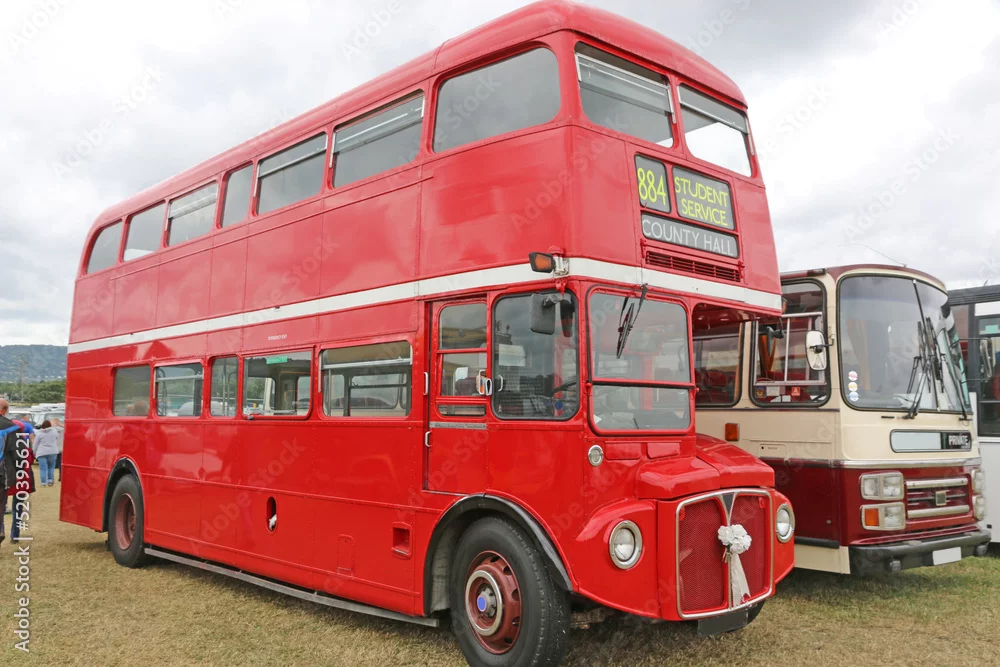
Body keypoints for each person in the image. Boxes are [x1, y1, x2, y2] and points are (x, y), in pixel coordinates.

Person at [34, 419, 63, 487]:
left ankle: (43, 483)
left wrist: (34, 451)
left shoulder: (39, 433)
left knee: (43, 469)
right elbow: (57, 437)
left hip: (41, 452)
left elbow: (35, 444)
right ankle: (50, 481)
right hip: (53, 451)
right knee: (51, 467)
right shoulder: (54, 431)